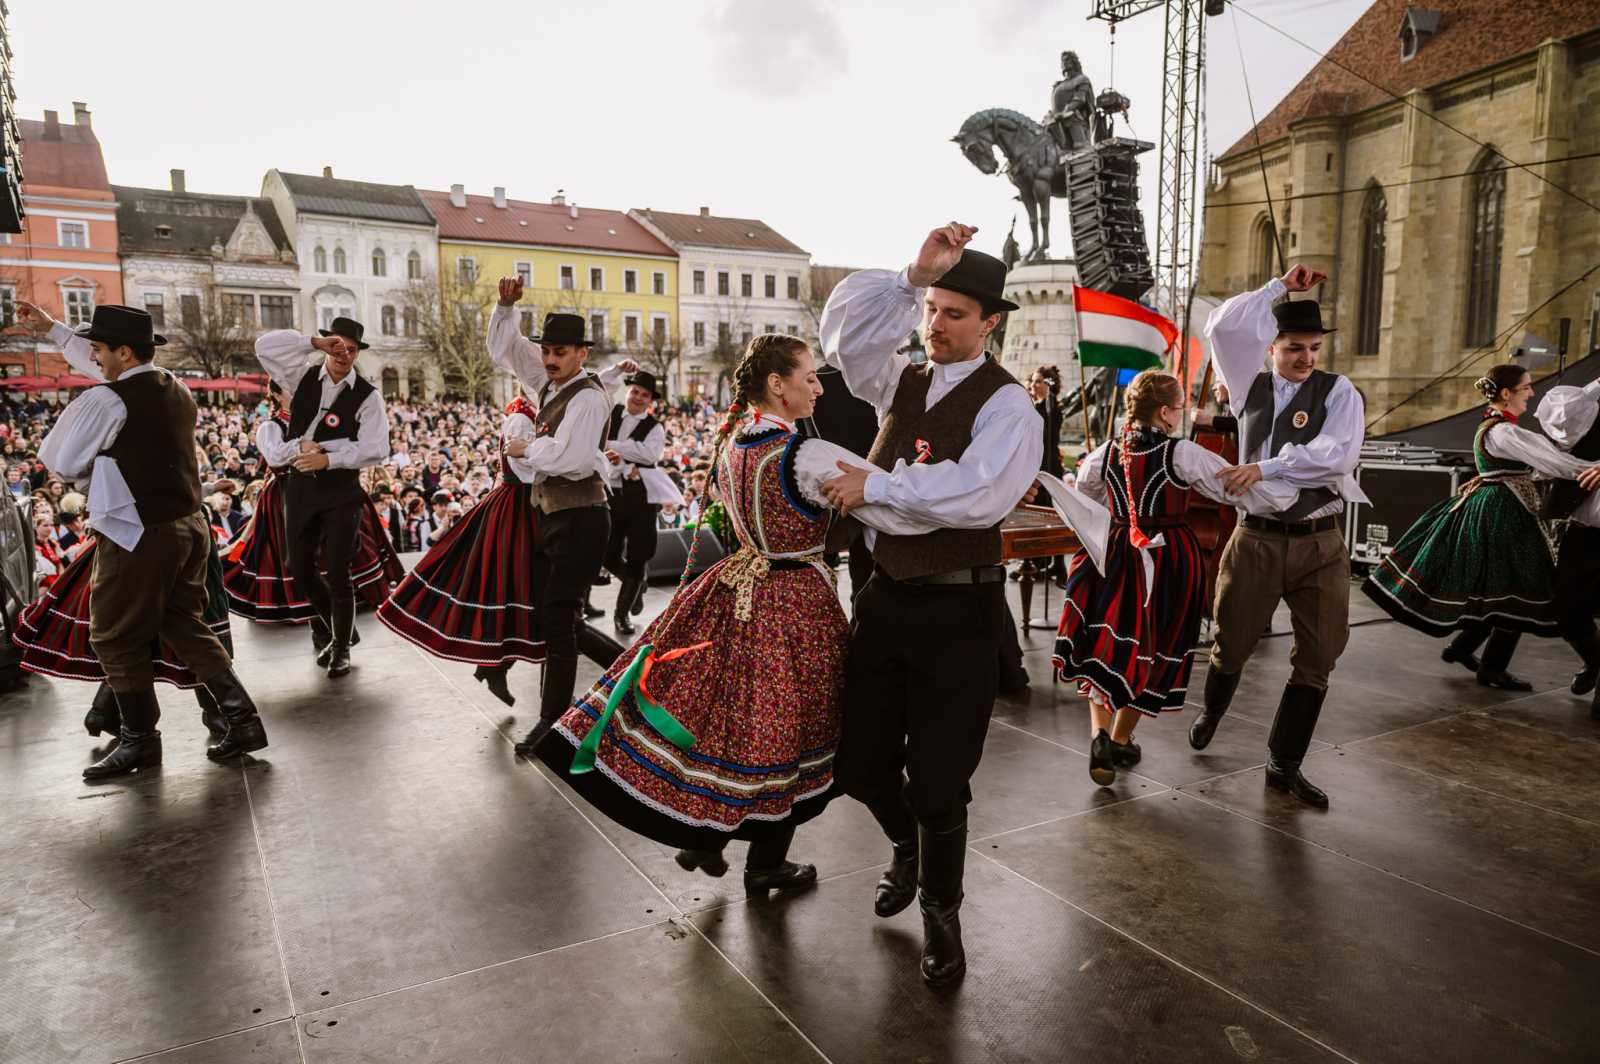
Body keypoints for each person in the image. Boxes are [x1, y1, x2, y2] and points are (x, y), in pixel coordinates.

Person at [539, 334, 943, 893]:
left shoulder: (737, 442)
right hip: (796, 601)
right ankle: (879, 845)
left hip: (738, 587)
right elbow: (885, 496)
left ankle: (732, 846)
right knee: (807, 733)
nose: (818, 385)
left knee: (755, 730)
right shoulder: (810, 455)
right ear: (777, 385)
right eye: (808, 375)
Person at [818, 224, 1043, 988]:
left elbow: (977, 498)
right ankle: (907, 845)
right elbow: (848, 348)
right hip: (885, 600)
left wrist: (877, 488)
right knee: (858, 762)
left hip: (959, 614)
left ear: (990, 323)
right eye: (933, 310)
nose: (935, 326)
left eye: (953, 314)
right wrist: (912, 276)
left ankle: (942, 912)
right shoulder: (906, 381)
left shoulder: (1011, 408)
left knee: (942, 782)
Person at [24, 301, 265, 780]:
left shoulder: (107, 401)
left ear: (124, 352)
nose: (92, 357)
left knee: (113, 635)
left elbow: (61, 462)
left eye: (99, 349)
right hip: (186, 524)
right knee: (184, 623)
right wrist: (55, 330)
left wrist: (98, 467)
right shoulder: (174, 387)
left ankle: (139, 741)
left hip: (137, 531)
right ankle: (243, 720)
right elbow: (108, 379)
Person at [1053, 370, 1300, 786]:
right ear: (1165, 413)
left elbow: (1086, 500)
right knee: (1158, 642)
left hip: (1115, 553)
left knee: (1105, 642)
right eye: (1180, 408)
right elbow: (1232, 487)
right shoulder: (1183, 454)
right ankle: (1121, 737)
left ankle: (1100, 734)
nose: (1182, 415)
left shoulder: (1104, 454)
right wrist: (1287, 495)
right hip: (1169, 557)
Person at [1188, 266, 1370, 809]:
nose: (1307, 357)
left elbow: (1338, 455)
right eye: (1295, 347)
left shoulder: (1340, 393)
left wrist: (1266, 467)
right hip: (1258, 540)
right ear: (1271, 346)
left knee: (1320, 657)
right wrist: (1276, 289)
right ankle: (1213, 709)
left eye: (1314, 347)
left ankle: (1283, 765)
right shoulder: (1248, 387)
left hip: (1320, 542)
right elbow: (1220, 329)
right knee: (1232, 643)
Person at [1362, 364, 1600, 691]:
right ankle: (1495, 666)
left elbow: (1543, 459)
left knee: (1503, 588)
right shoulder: (1504, 431)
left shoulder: (1498, 426)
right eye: (1526, 388)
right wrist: (1594, 468)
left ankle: (1469, 652)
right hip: (1502, 513)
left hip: (1501, 506)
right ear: (1506, 393)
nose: (1531, 393)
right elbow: (1556, 463)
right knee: (1518, 588)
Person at [487, 278, 619, 756]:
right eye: (547, 350)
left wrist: (527, 448)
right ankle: (631, 673)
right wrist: (505, 306)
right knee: (561, 618)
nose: (548, 358)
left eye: (559, 351)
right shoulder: (549, 383)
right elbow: (506, 349)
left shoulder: (587, 397)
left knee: (558, 617)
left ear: (581, 354)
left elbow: (574, 459)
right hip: (557, 517)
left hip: (583, 518)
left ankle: (553, 721)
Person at [379, 391, 549, 706]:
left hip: (521, 504)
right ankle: (494, 664)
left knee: (519, 589)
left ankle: (494, 665)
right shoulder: (521, 417)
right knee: (518, 587)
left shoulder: (530, 411)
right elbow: (525, 470)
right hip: (520, 506)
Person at [254, 317, 392, 678]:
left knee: (339, 568)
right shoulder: (300, 378)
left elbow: (377, 448)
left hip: (341, 489)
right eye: (338, 344)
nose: (344, 352)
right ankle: (340, 627)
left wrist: (329, 456)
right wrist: (313, 342)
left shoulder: (367, 395)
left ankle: (341, 646)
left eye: (351, 347)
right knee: (298, 565)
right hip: (301, 487)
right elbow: (264, 347)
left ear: (359, 352)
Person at [222, 380, 403, 626]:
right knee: (298, 556)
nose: (297, 393)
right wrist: (302, 446)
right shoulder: (270, 427)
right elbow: (275, 455)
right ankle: (319, 619)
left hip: (325, 488)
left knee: (335, 552)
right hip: (287, 494)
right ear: (275, 394)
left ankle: (335, 617)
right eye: (289, 388)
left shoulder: (316, 417)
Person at [596, 360, 677, 636]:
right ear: (628, 391)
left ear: (650, 400)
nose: (639, 398)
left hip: (642, 496)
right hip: (613, 493)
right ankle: (637, 585)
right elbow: (600, 385)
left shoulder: (655, 427)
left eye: (645, 395)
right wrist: (627, 454)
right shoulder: (612, 412)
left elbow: (650, 456)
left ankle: (621, 615)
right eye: (636, 392)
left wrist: (615, 448)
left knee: (639, 554)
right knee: (606, 552)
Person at [1534, 379, 1600, 717]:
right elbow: (1562, 424)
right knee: (1566, 607)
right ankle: (1594, 662)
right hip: (1585, 527)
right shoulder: (1593, 393)